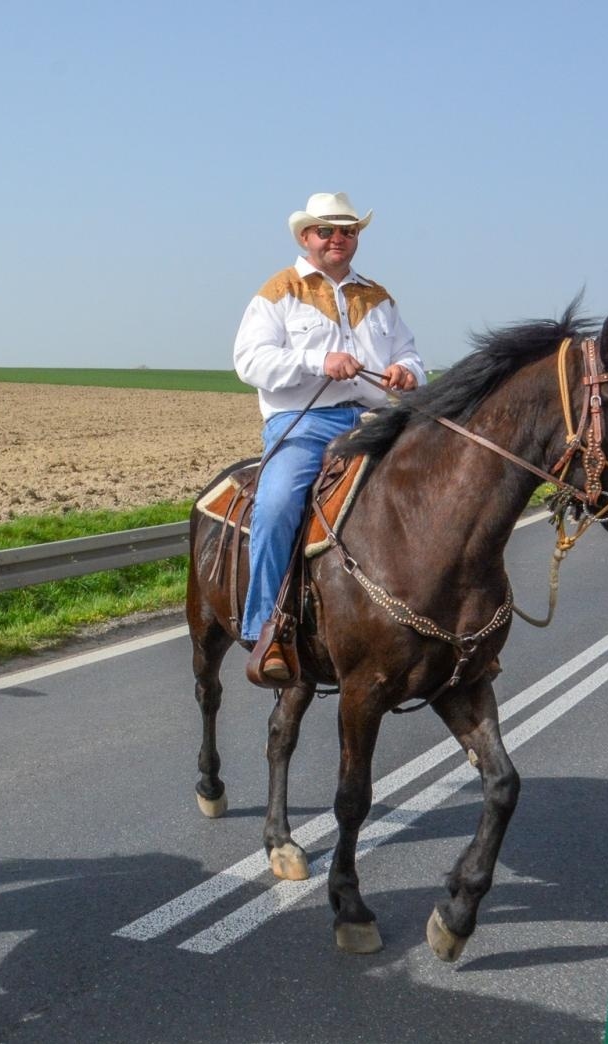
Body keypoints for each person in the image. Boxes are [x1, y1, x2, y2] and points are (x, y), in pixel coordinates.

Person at [232, 192, 425, 685]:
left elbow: (410, 352)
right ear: (305, 237)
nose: (338, 239)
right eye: (327, 231)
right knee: (276, 506)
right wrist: (319, 362)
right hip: (304, 421)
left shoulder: (378, 297)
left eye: (348, 231)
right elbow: (249, 362)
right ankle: (268, 631)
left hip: (375, 422)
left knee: (442, 487)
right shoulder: (278, 291)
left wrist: (406, 370)